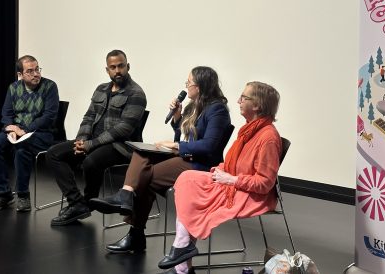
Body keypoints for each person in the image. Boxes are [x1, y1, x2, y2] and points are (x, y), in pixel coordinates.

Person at [90, 66, 232, 255]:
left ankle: (135, 232)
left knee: (145, 178)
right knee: (141, 152)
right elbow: (182, 136)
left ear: (199, 86)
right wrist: (177, 118)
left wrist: (177, 147)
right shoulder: (193, 106)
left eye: (188, 83)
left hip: (200, 164)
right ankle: (126, 194)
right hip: (185, 155)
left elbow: (209, 146)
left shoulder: (217, 110)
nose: (186, 86)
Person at [157, 81, 282, 274]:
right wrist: (220, 170)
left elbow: (265, 183)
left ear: (257, 105)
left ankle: (182, 264)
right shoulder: (250, 130)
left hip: (252, 194)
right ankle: (183, 249)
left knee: (192, 191)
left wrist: (232, 180)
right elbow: (235, 163)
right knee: (187, 179)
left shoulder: (268, 138)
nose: (239, 100)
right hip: (234, 181)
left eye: (244, 97)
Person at [46, 49, 147, 226]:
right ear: (107, 70)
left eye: (121, 66)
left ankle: (88, 200)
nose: (117, 71)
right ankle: (77, 203)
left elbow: (123, 129)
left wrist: (90, 144)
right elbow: (89, 116)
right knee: (53, 153)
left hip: (120, 146)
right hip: (92, 141)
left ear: (128, 66)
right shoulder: (101, 89)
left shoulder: (136, 93)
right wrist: (81, 140)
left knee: (90, 162)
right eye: (113, 67)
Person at [0, 55, 59, 212]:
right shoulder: (13, 88)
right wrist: (10, 128)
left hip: (41, 133)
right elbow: (6, 113)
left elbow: (49, 117)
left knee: (22, 149)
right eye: (30, 71)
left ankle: (23, 195)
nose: (36, 74)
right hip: (17, 131)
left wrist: (25, 130)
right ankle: (3, 194)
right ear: (20, 74)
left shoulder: (50, 87)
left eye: (37, 69)